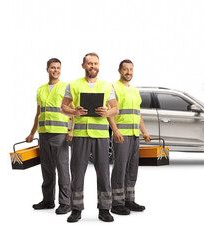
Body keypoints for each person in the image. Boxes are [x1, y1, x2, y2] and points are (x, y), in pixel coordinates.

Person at [61, 52, 119, 223]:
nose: (93, 66)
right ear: (83, 65)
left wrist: (107, 112)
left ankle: (104, 209)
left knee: (103, 173)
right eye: (89, 64)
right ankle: (76, 209)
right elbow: (63, 107)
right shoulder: (73, 85)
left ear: (99, 66)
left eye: (95, 64)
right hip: (80, 136)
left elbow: (115, 109)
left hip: (101, 136)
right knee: (77, 173)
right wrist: (74, 111)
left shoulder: (107, 86)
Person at [26, 58, 71, 215]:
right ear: (47, 69)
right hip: (44, 134)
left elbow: (72, 111)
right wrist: (32, 133)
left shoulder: (66, 87)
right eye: (53, 67)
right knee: (47, 169)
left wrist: (71, 130)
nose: (56, 70)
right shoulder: (41, 89)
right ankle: (48, 200)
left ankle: (65, 202)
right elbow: (38, 113)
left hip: (60, 134)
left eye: (58, 68)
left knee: (63, 168)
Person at [108, 59, 151, 216]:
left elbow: (137, 114)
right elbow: (109, 111)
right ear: (119, 70)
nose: (128, 72)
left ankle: (129, 200)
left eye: (131, 69)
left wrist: (144, 132)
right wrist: (115, 130)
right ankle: (117, 203)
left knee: (132, 168)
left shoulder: (134, 91)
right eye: (125, 69)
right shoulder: (113, 87)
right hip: (121, 136)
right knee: (120, 168)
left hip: (134, 135)